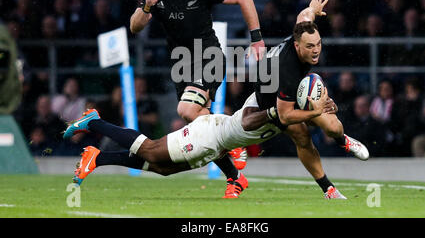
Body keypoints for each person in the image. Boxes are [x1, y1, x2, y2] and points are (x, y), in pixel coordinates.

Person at [63, 86, 342, 199]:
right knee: (150, 149)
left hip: (216, 143)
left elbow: (325, 128)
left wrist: (326, 110)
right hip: (209, 134)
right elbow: (247, 122)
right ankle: (93, 121)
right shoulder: (271, 105)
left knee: (164, 169)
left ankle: (96, 158)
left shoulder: (295, 119)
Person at [129, 0, 265, 178]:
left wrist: (257, 39)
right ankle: (235, 178)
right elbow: (135, 27)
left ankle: (234, 140)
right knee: (201, 124)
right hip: (181, 65)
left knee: (186, 109)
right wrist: (147, 6)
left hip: (209, 57)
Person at [254, 0, 369, 198]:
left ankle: (342, 140)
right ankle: (328, 188)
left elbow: (304, 16)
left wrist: (313, 9)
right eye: (310, 47)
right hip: (271, 100)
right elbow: (285, 116)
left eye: (319, 44)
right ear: (297, 46)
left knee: (333, 127)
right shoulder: (287, 70)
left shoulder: (303, 29)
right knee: (302, 136)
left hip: (294, 87)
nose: (316, 50)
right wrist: (315, 112)